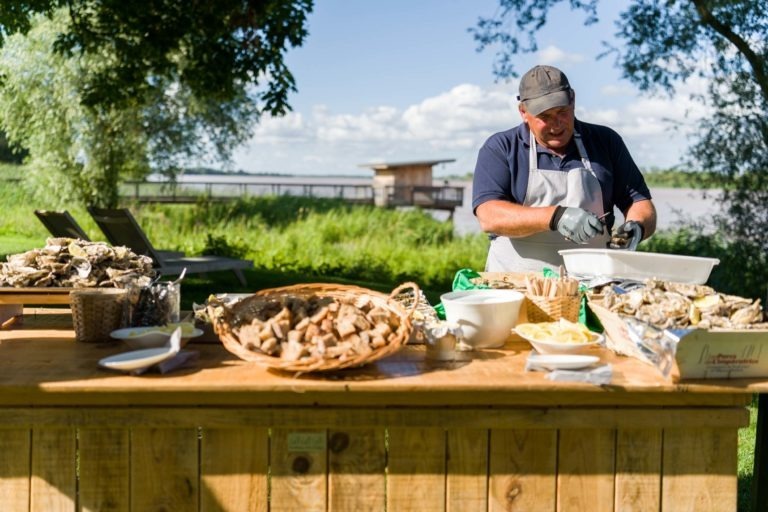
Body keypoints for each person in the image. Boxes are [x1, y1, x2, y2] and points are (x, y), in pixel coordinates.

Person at [472, 64, 657, 272]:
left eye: (562, 112)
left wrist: (637, 228)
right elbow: (488, 215)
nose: (556, 124)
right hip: (514, 283)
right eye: (545, 117)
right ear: (523, 112)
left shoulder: (606, 142)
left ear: (573, 100)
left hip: (595, 282)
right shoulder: (501, 147)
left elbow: (640, 203)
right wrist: (556, 216)